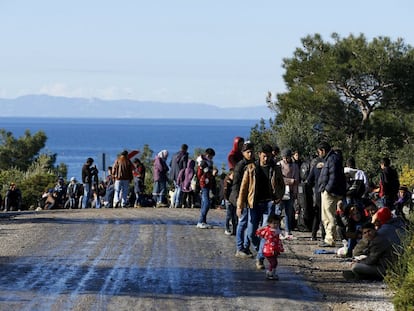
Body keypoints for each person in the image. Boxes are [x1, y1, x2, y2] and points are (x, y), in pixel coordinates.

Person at [237, 144, 285, 270]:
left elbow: (281, 184)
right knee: (251, 233)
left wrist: (279, 196)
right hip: (254, 204)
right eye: (264, 156)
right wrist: (239, 205)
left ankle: (260, 258)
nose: (266, 159)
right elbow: (244, 187)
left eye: (268, 157)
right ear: (259, 155)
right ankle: (262, 249)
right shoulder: (251, 168)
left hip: (269, 204)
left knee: (265, 233)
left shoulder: (275, 169)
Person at [317, 141, 347, 247]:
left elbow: (333, 176)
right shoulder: (333, 158)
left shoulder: (332, 159)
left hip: (330, 193)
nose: (319, 154)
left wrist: (327, 189)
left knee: (328, 216)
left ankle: (330, 239)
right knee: (328, 216)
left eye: (319, 152)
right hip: (332, 191)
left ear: (323, 151)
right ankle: (329, 238)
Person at [230, 141, 255, 257]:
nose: (250, 154)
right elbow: (235, 185)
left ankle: (246, 247)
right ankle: (240, 248)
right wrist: (238, 202)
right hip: (242, 198)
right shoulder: (240, 166)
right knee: (243, 223)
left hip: (252, 199)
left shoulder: (254, 164)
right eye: (248, 152)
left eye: (251, 152)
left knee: (251, 224)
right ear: (243, 153)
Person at [278, 148, 300, 238]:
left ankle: (288, 230)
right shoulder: (279, 165)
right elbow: (279, 179)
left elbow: (297, 180)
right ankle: (278, 230)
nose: (285, 159)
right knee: (278, 211)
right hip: (281, 191)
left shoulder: (295, 166)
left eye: (286, 157)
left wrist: (295, 192)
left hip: (290, 191)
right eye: (283, 157)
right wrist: (290, 181)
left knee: (289, 212)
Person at [255, 214, 284, 280]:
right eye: (274, 223)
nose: (276, 225)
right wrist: (262, 228)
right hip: (269, 250)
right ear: (269, 223)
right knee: (273, 262)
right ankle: (270, 273)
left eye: (277, 223)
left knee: (274, 262)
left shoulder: (276, 230)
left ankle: (271, 273)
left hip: (275, 249)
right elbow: (259, 232)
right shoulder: (268, 230)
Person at [306, 156, 326, 241]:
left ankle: (313, 234)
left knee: (317, 215)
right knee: (325, 215)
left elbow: (309, 180)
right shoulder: (328, 165)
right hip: (326, 192)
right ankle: (324, 235)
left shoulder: (315, 167)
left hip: (317, 193)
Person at [196, 148, 216, 228]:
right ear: (208, 155)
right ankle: (200, 221)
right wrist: (210, 173)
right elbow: (202, 173)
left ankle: (203, 221)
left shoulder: (207, 162)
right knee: (207, 203)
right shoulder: (203, 163)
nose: (212, 158)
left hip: (206, 183)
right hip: (204, 183)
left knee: (204, 203)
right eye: (211, 157)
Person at [169, 144, 189, 208]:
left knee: (176, 188)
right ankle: (177, 203)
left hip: (173, 174)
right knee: (179, 189)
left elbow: (170, 164)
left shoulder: (174, 155)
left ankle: (173, 202)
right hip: (180, 174)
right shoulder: (184, 155)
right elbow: (185, 167)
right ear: (186, 149)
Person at [223, 169, 237, 235]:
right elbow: (225, 192)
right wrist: (227, 199)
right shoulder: (227, 182)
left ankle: (234, 229)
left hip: (233, 200)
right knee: (229, 215)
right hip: (228, 200)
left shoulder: (233, 182)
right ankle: (227, 228)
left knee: (234, 216)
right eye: (233, 175)